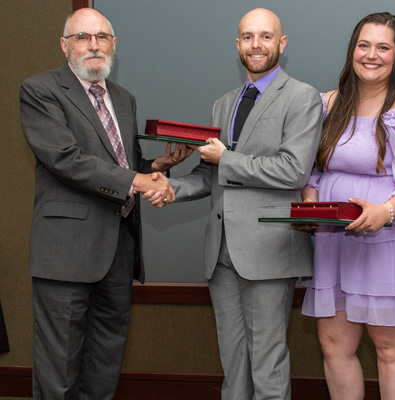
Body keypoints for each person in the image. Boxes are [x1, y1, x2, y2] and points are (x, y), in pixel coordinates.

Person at [144, 8, 322, 400]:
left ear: (282, 43)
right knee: (232, 362)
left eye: (265, 36)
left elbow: (293, 171)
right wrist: (173, 189)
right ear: (237, 44)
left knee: (267, 364)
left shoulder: (302, 97)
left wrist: (225, 158)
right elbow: (212, 176)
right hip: (220, 254)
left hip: (269, 251)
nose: (256, 45)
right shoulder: (223, 104)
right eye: (247, 37)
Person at [19, 8, 191, 399]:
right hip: (66, 251)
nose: (93, 45)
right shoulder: (40, 90)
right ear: (65, 45)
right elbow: (66, 160)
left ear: (114, 44)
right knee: (58, 369)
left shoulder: (123, 98)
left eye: (102, 37)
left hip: (118, 247)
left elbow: (121, 165)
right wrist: (139, 179)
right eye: (82, 37)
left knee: (105, 362)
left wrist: (157, 167)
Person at [298, 12, 395, 400]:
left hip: (388, 241)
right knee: (333, 345)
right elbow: (312, 167)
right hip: (334, 240)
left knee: (390, 348)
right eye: (364, 45)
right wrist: (311, 198)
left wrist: (384, 212)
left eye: (383, 47)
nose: (371, 55)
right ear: (352, 50)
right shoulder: (328, 103)